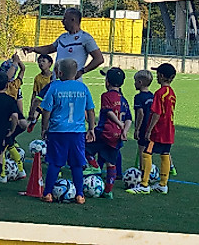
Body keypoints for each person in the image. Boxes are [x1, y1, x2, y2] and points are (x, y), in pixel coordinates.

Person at [39, 58, 95, 204]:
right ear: (76, 73)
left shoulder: (55, 87)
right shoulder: (83, 88)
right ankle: (80, 195)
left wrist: (44, 128)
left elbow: (46, 110)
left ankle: (47, 193)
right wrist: (92, 128)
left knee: (55, 163)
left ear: (59, 72)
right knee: (77, 164)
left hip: (58, 131)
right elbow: (90, 109)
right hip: (77, 132)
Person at [127, 63, 176, 195]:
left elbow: (157, 113)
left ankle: (144, 184)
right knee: (165, 154)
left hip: (158, 130)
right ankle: (163, 184)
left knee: (147, 154)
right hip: (169, 129)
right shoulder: (171, 93)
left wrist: (149, 130)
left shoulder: (159, 93)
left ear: (161, 76)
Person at [20, 8, 104, 79]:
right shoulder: (62, 37)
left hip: (72, 83)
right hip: (56, 81)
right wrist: (33, 49)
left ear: (73, 20)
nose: (62, 21)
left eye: (65, 19)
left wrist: (82, 71)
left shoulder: (85, 38)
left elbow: (99, 59)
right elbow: (49, 48)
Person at [87, 67, 131, 199]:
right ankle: (108, 192)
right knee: (111, 163)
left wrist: (118, 123)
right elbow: (129, 118)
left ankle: (94, 166)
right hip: (116, 136)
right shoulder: (123, 100)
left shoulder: (106, 96)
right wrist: (124, 131)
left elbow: (109, 112)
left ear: (107, 82)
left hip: (104, 131)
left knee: (83, 145)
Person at [26, 53, 54, 132]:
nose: (41, 63)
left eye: (43, 61)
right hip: (40, 102)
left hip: (50, 104)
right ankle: (33, 121)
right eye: (39, 61)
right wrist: (31, 107)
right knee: (34, 115)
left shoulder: (54, 77)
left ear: (50, 63)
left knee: (46, 123)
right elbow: (34, 93)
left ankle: (45, 134)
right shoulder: (37, 78)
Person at [132, 69, 154, 168]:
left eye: (135, 81)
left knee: (141, 150)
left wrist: (137, 129)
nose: (134, 83)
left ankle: (142, 172)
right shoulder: (152, 96)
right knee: (148, 152)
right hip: (152, 128)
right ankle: (148, 173)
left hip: (143, 127)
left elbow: (140, 113)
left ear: (140, 82)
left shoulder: (138, 97)